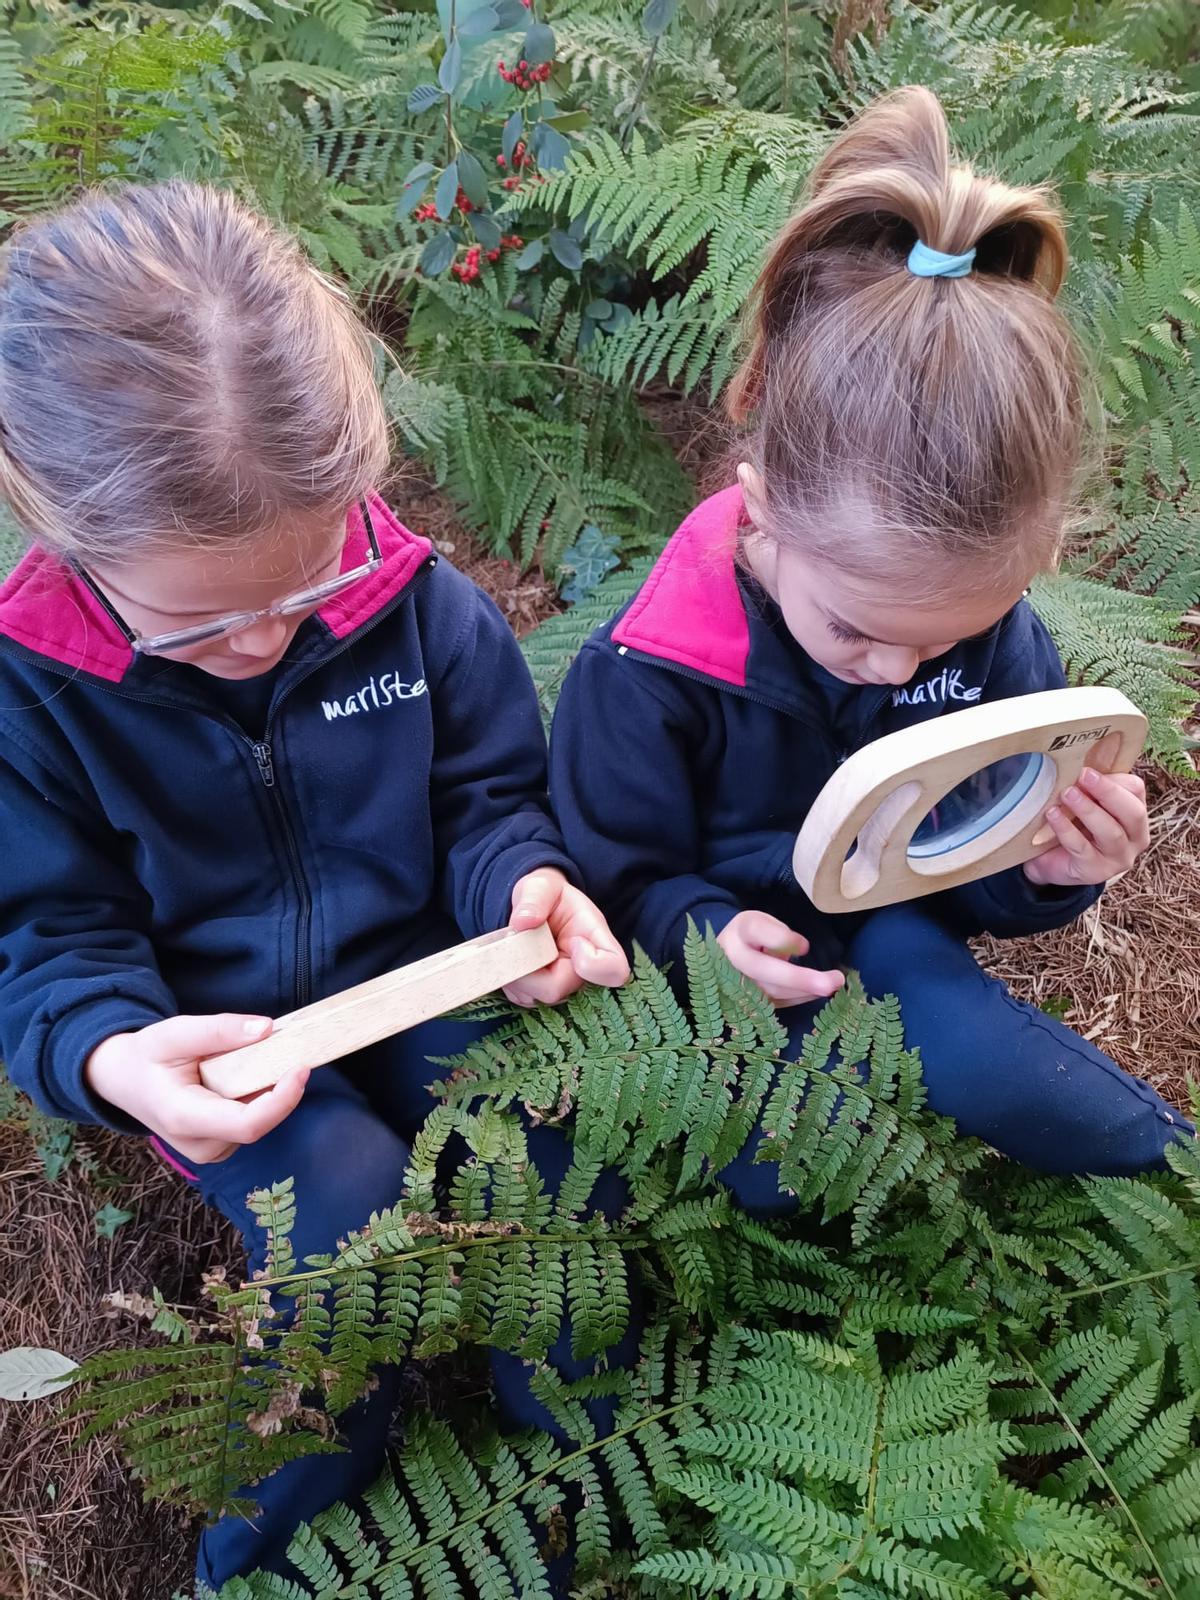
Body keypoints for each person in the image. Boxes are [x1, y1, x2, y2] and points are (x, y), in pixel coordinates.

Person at [0, 180, 632, 1589]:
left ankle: (592, 1463)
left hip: (421, 973)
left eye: (307, 585)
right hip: (218, 1042)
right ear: (60, 526)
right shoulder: (31, 697)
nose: (266, 640)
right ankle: (282, 1539)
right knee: (343, 1208)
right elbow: (46, 934)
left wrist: (520, 882)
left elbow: (486, 798)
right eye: (202, 621)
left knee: (549, 1150)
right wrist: (113, 1056)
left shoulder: (418, 603)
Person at [549, 85, 1192, 1199]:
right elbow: (614, 876)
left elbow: (977, 861)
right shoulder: (644, 675)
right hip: (729, 994)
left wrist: (1049, 871)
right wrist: (704, 937)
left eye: (950, 638)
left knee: (997, 1069)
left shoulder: (1000, 638)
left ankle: (1175, 1181)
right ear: (761, 511)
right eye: (853, 629)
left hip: (895, 940)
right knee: (771, 1182)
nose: (896, 669)